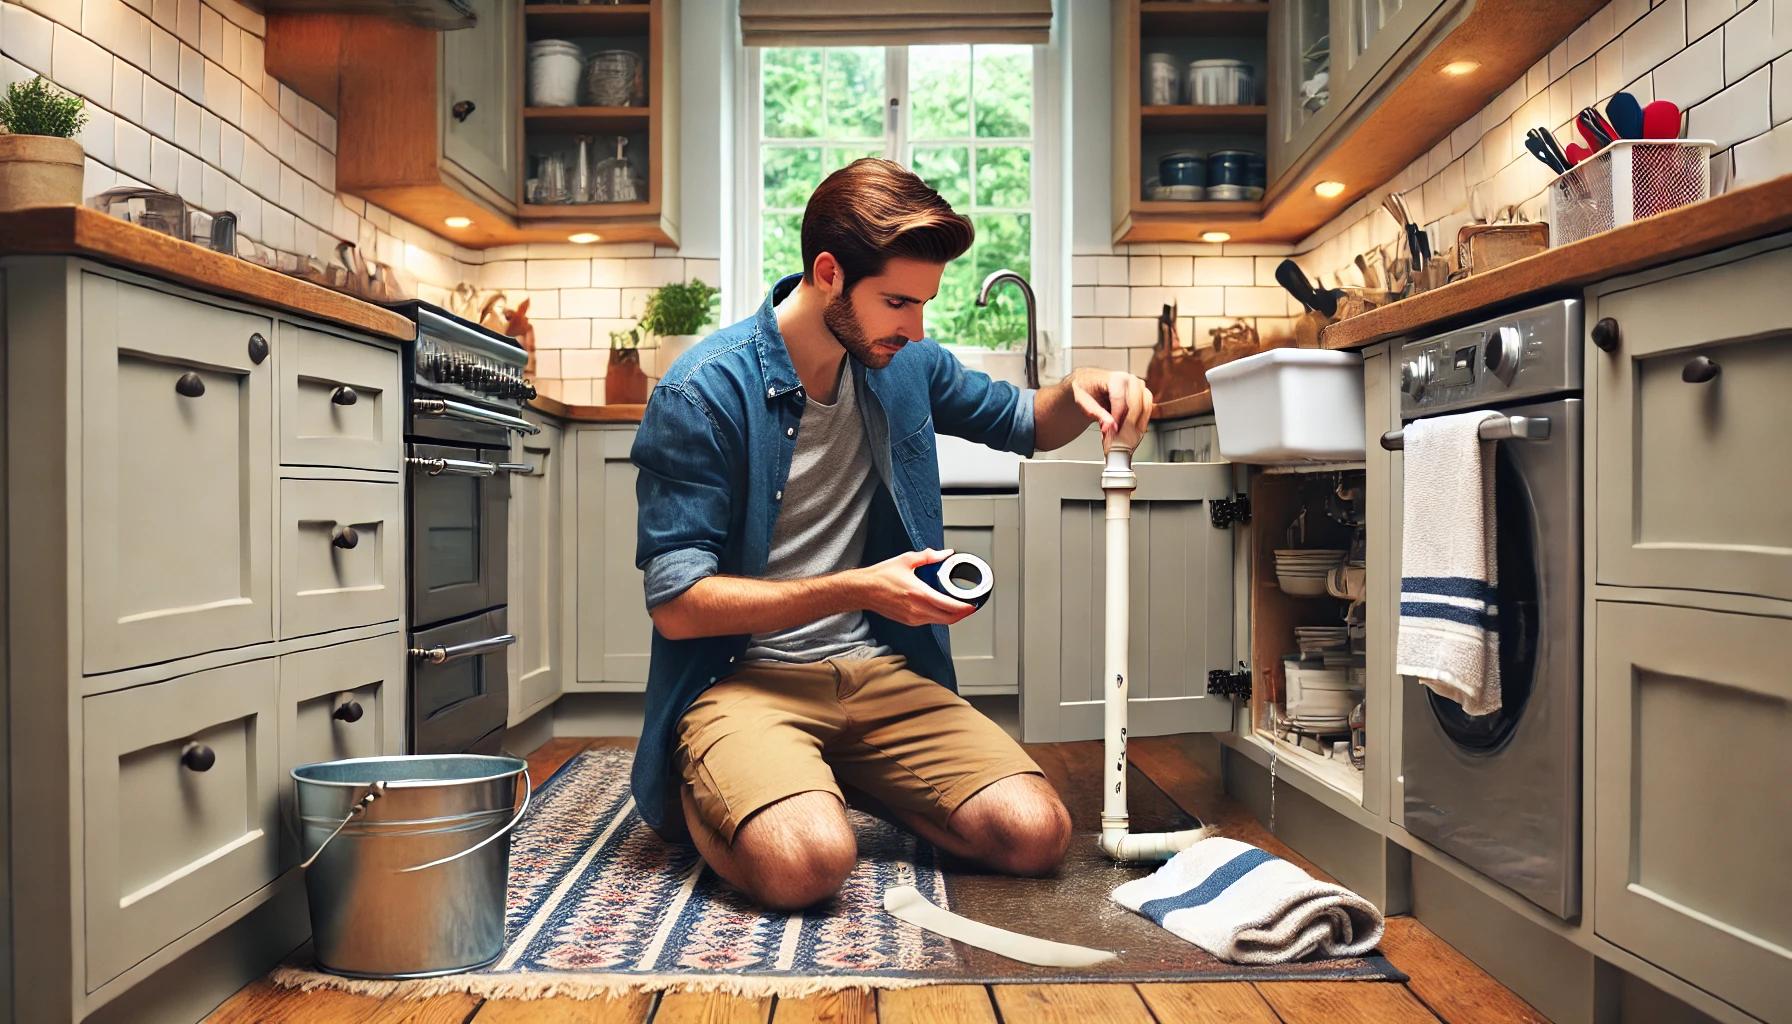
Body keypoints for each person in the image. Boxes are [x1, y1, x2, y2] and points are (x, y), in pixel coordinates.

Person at [630, 158, 1155, 910]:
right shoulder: (704, 390)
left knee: (1035, 834)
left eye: (924, 304)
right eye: (898, 302)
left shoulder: (903, 361)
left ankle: (817, 779)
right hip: (743, 681)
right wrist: (858, 588)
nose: (915, 328)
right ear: (828, 273)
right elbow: (678, 603)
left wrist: (1080, 389)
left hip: (876, 674)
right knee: (809, 863)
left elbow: (1027, 421)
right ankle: (729, 791)